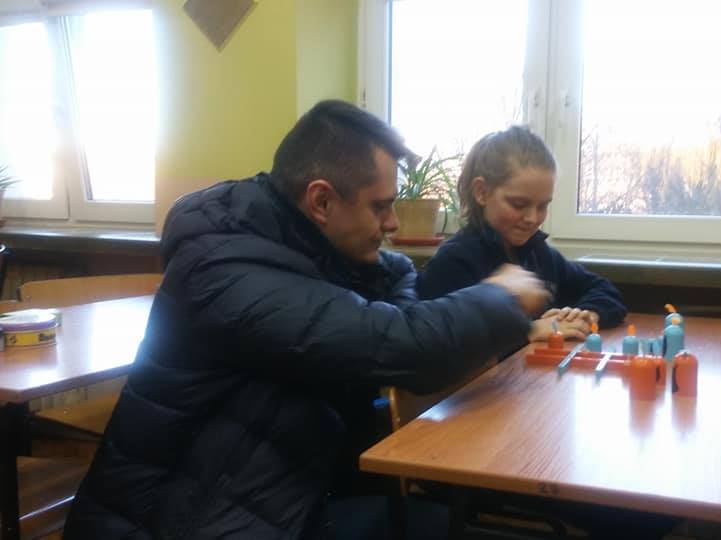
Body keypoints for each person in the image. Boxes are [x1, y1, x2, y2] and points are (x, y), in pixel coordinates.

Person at [63, 100, 549, 539]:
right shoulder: (225, 272)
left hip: (276, 502)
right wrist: (499, 298)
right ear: (321, 202)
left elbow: (397, 289)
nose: (393, 223)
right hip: (182, 522)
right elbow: (403, 344)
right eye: (381, 206)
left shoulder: (311, 251)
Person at [417, 126, 627, 347]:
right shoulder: (454, 261)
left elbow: (605, 291)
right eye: (519, 204)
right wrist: (527, 331)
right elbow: (437, 345)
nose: (533, 218)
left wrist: (585, 315)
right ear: (482, 192)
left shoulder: (539, 253)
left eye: (543, 206)